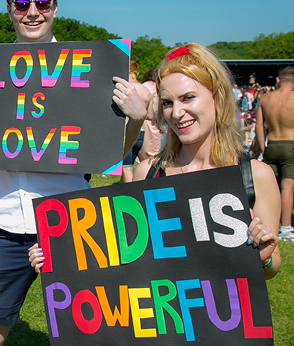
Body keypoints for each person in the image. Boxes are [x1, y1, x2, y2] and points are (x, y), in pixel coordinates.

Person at [0, 0, 149, 345]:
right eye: (22, 3)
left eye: (42, 2)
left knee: (85, 329)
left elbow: (107, 154)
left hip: (70, 219)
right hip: (4, 223)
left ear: (55, 7)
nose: (32, 11)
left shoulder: (87, 70)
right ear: (9, 10)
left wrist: (133, 122)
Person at [31, 43, 282, 281]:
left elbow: (272, 266)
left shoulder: (255, 175)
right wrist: (57, 256)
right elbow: (120, 252)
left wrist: (264, 255)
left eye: (188, 98)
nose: (177, 113)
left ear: (218, 97)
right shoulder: (148, 173)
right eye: (167, 103)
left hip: (223, 320)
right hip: (160, 319)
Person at [256, 66, 294, 242]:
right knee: (287, 188)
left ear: (278, 80)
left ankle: (264, 224)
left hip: (271, 144)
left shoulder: (265, 98)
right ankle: (285, 229)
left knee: (269, 188)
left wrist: (263, 149)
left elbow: (258, 126)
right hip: (290, 145)